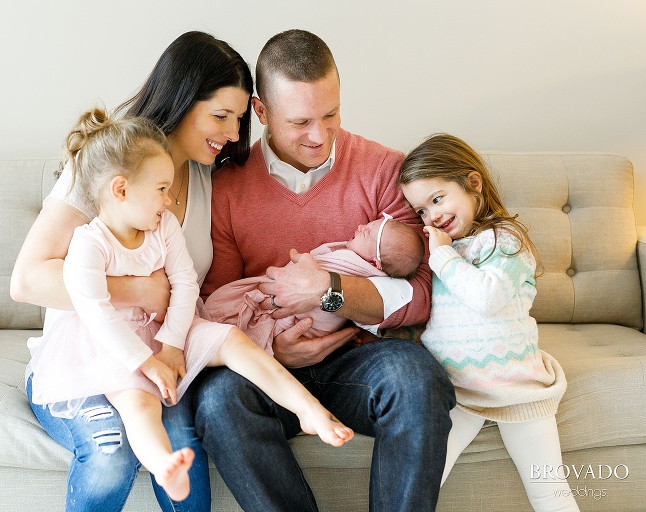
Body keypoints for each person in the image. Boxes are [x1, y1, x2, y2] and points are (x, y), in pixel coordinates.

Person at [29, 110, 355, 503]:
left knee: (232, 340)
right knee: (138, 401)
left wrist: (171, 343)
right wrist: (144, 361)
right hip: (113, 339)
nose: (169, 200)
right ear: (121, 190)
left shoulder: (162, 224)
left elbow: (184, 283)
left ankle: (307, 409)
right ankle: (164, 464)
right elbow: (96, 310)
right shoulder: (88, 243)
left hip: (168, 325)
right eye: (161, 189)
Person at [196, 29, 456, 511]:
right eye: (300, 122)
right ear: (261, 112)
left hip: (359, 361)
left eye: (331, 114)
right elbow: (220, 303)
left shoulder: (383, 170)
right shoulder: (227, 186)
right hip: (269, 365)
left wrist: (329, 292)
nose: (319, 135)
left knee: (417, 379)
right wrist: (273, 350)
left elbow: (421, 295)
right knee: (217, 402)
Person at [10, 31, 253, 512]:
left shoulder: (208, 179)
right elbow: (28, 280)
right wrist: (139, 291)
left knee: (183, 445)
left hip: (159, 357)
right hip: (86, 358)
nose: (231, 132)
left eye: (239, 119)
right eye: (220, 116)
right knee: (111, 455)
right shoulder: (109, 164)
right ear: (182, 100)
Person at [399, 133, 579, 511]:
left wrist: (444, 259)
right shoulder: (443, 250)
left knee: (550, 492)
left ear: (473, 183)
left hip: (517, 387)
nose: (432, 216)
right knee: (418, 484)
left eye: (437, 199)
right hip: (457, 391)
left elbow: (486, 298)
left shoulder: (504, 241)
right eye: (421, 211)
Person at [204, 215, 425, 352]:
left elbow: (415, 294)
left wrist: (323, 286)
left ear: (375, 263)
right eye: (367, 224)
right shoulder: (228, 186)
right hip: (281, 346)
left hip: (327, 341)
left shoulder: (357, 265)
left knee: (409, 366)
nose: (360, 226)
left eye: (367, 233)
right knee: (221, 391)